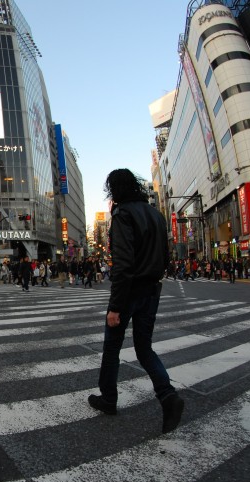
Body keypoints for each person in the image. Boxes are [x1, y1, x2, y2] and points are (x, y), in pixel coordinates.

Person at [88, 169, 184, 434]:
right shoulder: (156, 214)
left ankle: (109, 399)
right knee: (145, 349)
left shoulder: (122, 215)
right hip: (152, 290)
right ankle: (168, 396)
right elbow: (165, 258)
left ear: (114, 189)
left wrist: (116, 306)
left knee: (112, 348)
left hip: (128, 292)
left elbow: (123, 264)